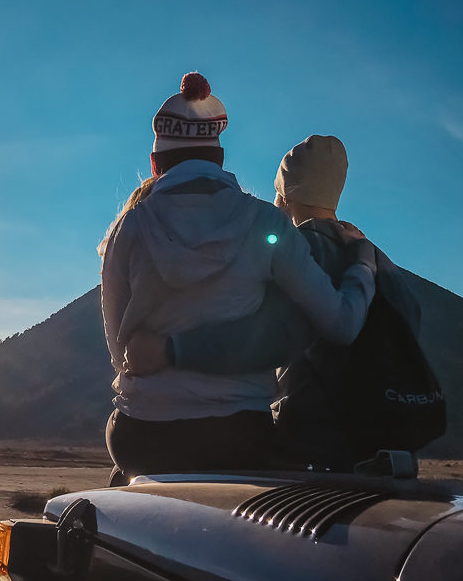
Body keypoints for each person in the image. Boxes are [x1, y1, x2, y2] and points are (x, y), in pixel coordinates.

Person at [99, 74, 378, 480]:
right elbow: (341, 323)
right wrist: (363, 264)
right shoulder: (265, 222)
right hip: (238, 436)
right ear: (220, 159)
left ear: (157, 164)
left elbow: (118, 351)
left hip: (141, 439)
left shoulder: (129, 228)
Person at [125, 135, 429, 471]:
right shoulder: (378, 261)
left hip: (311, 450)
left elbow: (267, 337)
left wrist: (172, 349)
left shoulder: (294, 253)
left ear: (284, 194)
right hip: (391, 446)